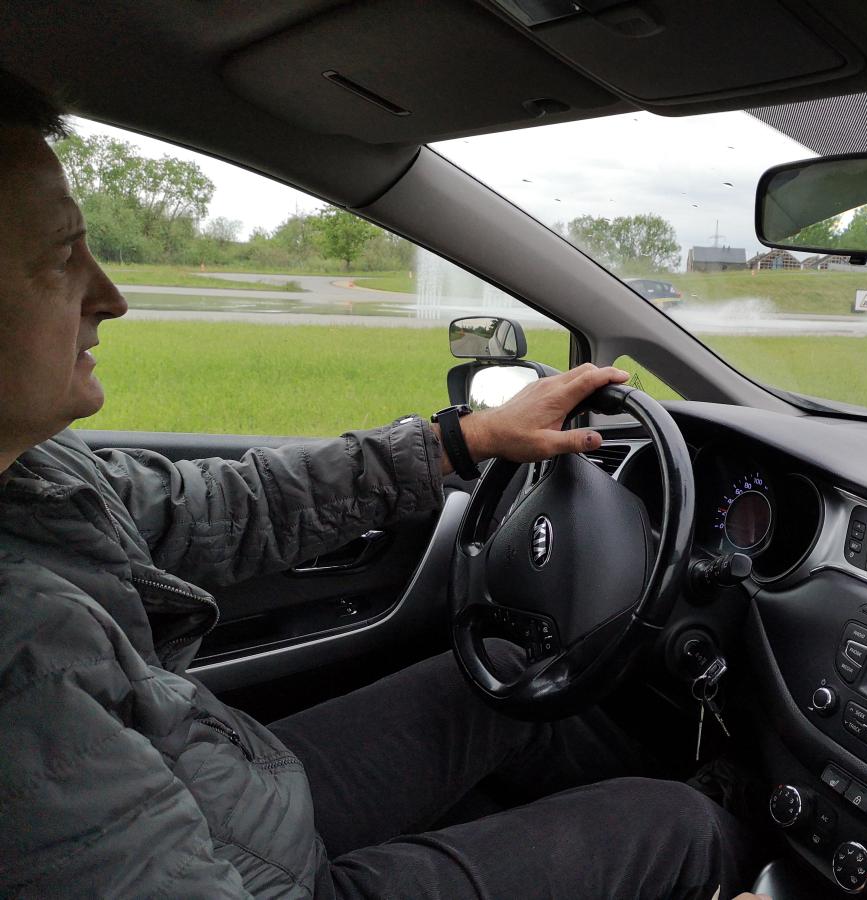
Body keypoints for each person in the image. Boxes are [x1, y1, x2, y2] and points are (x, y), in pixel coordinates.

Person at [0, 69, 769, 899]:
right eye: (58, 258)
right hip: (256, 874)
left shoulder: (34, 478)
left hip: (224, 795)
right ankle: (728, 842)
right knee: (677, 834)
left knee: (508, 676)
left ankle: (712, 801)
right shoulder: (20, 664)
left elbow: (216, 509)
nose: (109, 298)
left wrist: (465, 438)